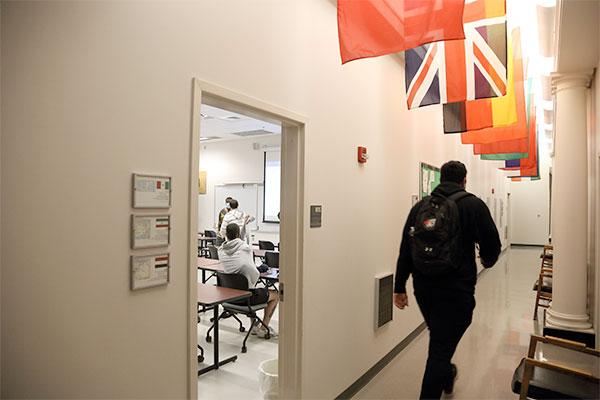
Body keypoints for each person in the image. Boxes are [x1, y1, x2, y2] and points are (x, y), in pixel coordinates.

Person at [394, 160, 501, 399]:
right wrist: (486, 260)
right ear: (464, 179)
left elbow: (406, 247)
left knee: (440, 338)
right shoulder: (474, 205)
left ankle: (446, 372)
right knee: (440, 350)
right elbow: (492, 245)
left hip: (423, 288)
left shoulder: (420, 207)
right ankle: (443, 375)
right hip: (457, 289)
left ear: (441, 179)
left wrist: (399, 286)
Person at [218, 223, 279, 337]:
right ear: (238, 234)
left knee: (248, 286)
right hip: (246, 298)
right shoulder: (245, 248)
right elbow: (254, 273)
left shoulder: (221, 251)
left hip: (229, 297)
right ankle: (264, 328)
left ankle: (254, 326)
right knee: (275, 294)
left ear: (226, 235)